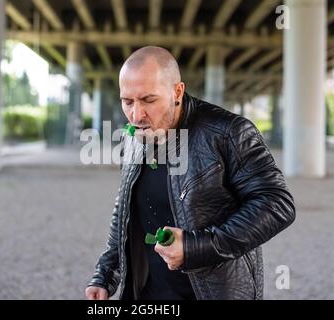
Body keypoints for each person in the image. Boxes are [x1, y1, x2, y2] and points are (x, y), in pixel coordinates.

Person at [85, 46, 295, 300]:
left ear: (177, 92)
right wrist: (105, 273)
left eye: (149, 100)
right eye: (127, 101)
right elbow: (125, 210)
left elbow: (277, 204)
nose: (137, 114)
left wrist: (197, 247)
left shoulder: (229, 132)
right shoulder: (134, 136)